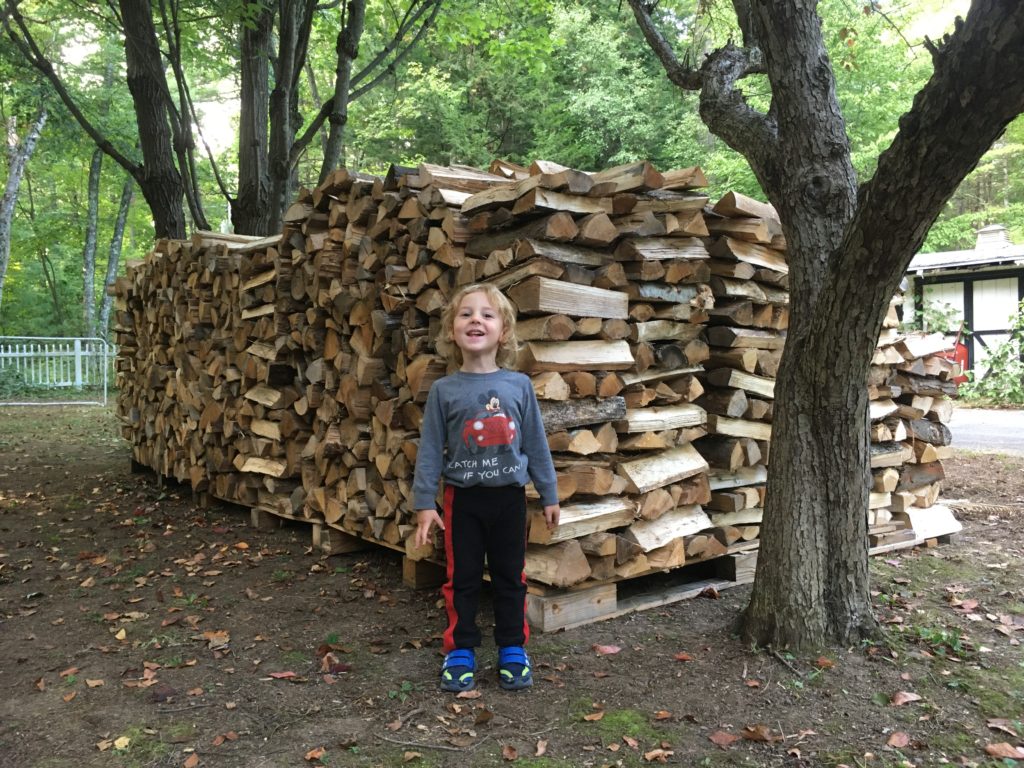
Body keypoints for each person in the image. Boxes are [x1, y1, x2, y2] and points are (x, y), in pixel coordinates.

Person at [412, 283, 560, 692]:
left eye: (487, 314)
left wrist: (549, 493)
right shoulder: (444, 390)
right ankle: (460, 648)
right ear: (452, 330)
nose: (476, 319)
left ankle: (513, 646)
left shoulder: (519, 386)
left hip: (510, 499)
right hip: (463, 501)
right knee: (463, 579)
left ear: (504, 332)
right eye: (466, 314)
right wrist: (425, 503)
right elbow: (429, 451)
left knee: (511, 576)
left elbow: (535, 443)